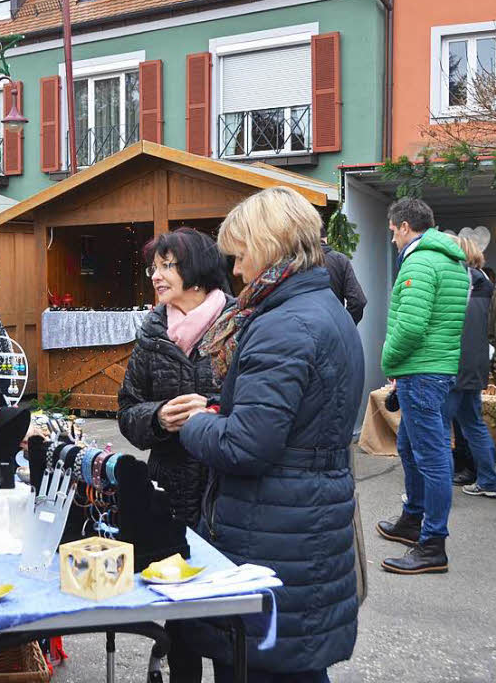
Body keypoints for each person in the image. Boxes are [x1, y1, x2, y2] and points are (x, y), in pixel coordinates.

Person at [167, 187, 364, 682]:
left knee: (260, 667)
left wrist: (196, 422)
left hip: (275, 530)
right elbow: (293, 418)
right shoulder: (325, 308)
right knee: (296, 667)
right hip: (307, 522)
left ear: (270, 245)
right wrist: (217, 409)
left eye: (242, 254)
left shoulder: (284, 324)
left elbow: (246, 445)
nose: (236, 270)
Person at [116, 227, 232, 683]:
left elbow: (258, 407)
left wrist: (212, 411)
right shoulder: (151, 334)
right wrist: (158, 417)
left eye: (168, 265)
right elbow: (128, 410)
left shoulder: (237, 325)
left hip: (224, 488)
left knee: (225, 614)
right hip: (170, 489)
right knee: (178, 608)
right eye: (154, 267)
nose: (157, 275)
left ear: (198, 272)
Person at [375, 198, 469, 575]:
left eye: (392, 230)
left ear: (403, 226)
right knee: (410, 446)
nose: (392, 237)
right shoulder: (451, 261)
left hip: (421, 371)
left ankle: (432, 546)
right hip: (434, 369)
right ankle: (412, 520)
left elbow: (411, 327)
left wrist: (387, 361)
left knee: (431, 458)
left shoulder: (419, 261)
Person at [445, 235, 496, 498]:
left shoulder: (459, 281)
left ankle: (434, 490)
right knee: (473, 424)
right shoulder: (486, 283)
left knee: (440, 427)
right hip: (477, 363)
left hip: (455, 364)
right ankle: (488, 480)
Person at [320, 223, 367, 324]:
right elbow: (358, 301)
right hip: (334, 328)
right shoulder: (339, 260)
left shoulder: (297, 263)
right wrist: (345, 326)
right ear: (326, 238)